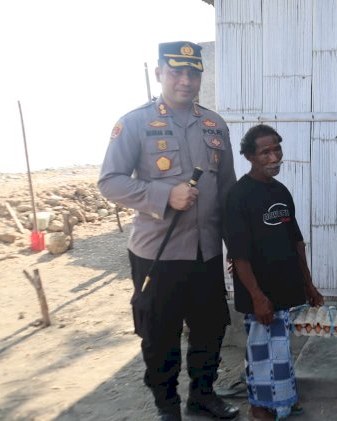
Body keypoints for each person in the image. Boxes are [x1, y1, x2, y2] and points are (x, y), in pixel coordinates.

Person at [98, 41, 239, 421]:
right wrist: (164, 194)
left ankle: (203, 395)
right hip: (157, 253)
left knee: (210, 329)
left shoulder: (214, 124)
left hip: (206, 251)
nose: (185, 80)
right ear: (159, 72)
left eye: (193, 72)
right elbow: (109, 182)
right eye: (176, 71)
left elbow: (227, 190)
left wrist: (236, 249)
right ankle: (167, 406)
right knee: (160, 335)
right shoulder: (134, 123)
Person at [223, 124, 324, 420]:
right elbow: (239, 254)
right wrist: (256, 296)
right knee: (259, 352)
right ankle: (260, 405)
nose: (274, 156)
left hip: (286, 288)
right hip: (260, 293)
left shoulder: (281, 191)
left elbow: (296, 242)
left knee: (280, 350)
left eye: (276, 148)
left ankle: (284, 396)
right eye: (265, 151)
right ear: (250, 156)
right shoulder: (238, 196)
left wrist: (310, 285)